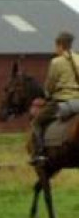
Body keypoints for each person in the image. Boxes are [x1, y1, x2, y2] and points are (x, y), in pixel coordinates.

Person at [30, 31, 79, 165]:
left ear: (60, 45)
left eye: (56, 46)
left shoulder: (56, 62)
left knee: (36, 122)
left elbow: (50, 84)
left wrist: (47, 95)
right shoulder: (78, 59)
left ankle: (39, 154)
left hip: (62, 101)